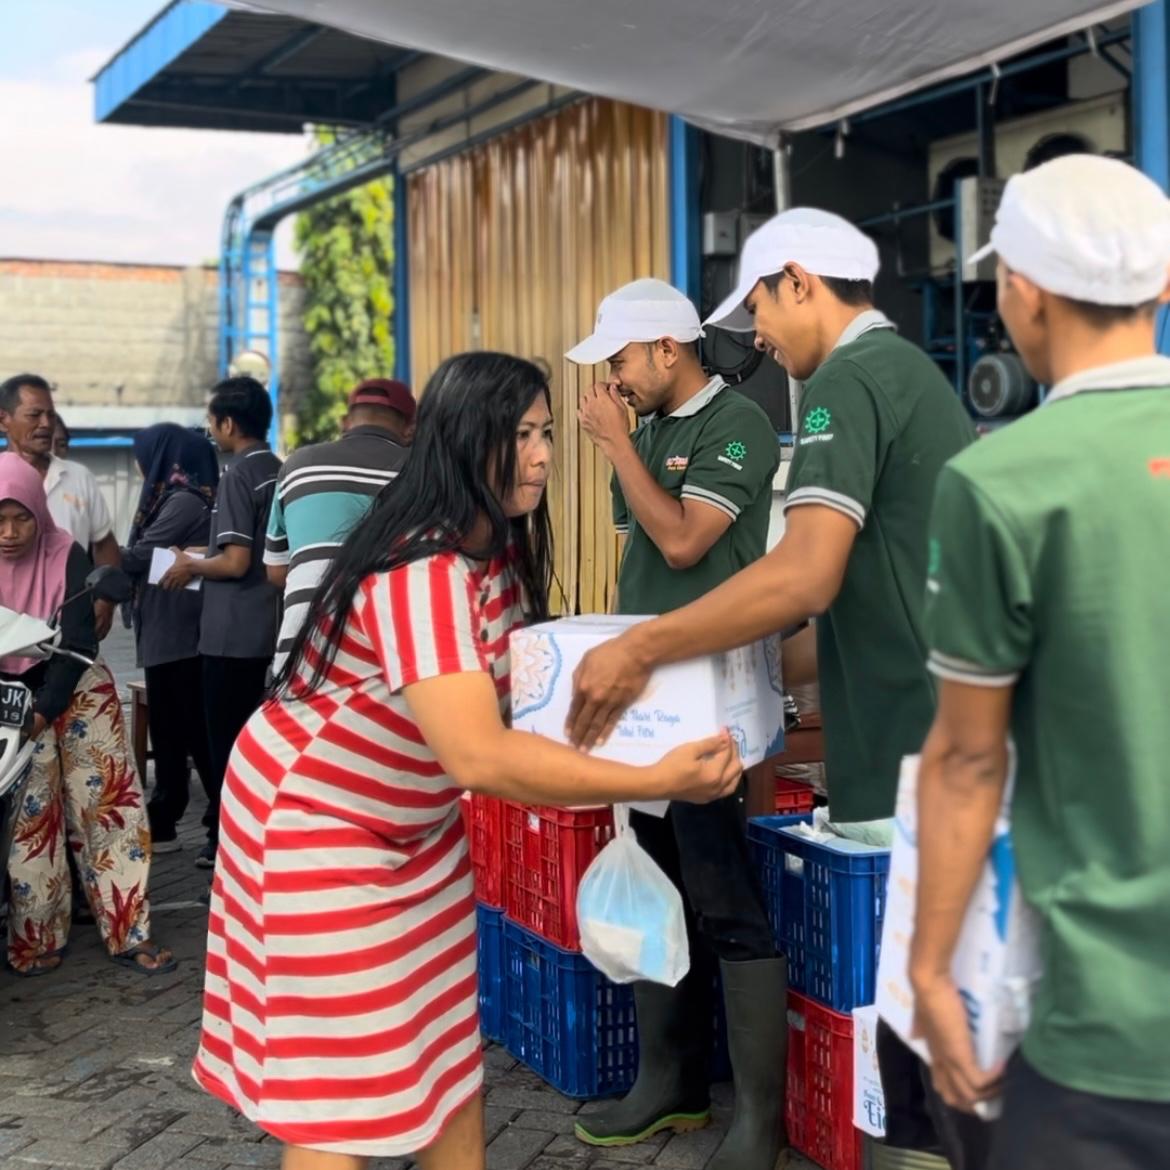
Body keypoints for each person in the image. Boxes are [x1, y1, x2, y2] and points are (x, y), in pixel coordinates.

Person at [191, 351, 744, 1170]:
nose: (544, 454)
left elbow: (518, 702)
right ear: (460, 439)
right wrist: (657, 779)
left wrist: (644, 705)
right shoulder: (424, 568)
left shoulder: (493, 554)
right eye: (519, 434)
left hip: (413, 828)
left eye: (548, 433)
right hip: (317, 826)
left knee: (446, 1060)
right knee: (343, 1091)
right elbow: (481, 756)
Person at [564, 209, 977, 1166]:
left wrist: (646, 649)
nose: (754, 332)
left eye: (756, 303)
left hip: (905, 752)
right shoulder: (897, 377)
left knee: (907, 1049)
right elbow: (847, 600)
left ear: (798, 280)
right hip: (907, 737)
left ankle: (763, 1120)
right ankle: (678, 1084)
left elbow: (800, 575)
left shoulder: (842, 385)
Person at [910, 156, 1170, 1170]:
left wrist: (932, 970)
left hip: (1108, 1039)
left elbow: (968, 762)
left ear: (1021, 293)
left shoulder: (998, 484)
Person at [563, 279, 784, 1169]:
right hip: (650, 696)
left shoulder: (737, 426)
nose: (613, 381)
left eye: (619, 360)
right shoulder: (650, 432)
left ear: (668, 348)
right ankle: (670, 1084)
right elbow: (646, 550)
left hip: (712, 698)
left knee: (724, 893)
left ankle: (759, 1122)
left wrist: (618, 446)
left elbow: (687, 542)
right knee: (663, 882)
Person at [0, 453, 175, 976]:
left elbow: (77, 642)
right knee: (29, 821)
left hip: (74, 685)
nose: (9, 532)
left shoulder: (67, 554)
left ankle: (129, 930)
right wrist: (23, 717)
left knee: (107, 806)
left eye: (21, 517)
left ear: (39, 511)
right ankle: (35, 940)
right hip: (10, 697)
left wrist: (42, 713)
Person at [161, 376, 281, 870]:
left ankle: (228, 844)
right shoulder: (280, 468)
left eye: (214, 424)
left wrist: (190, 565)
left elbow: (234, 563)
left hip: (231, 636)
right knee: (262, 743)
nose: (213, 433)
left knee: (227, 747)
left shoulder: (237, 475)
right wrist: (200, 553)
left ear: (229, 423)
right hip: (270, 629)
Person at [265, 377, 415, 674]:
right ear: (411, 427)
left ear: (345, 421)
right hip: (383, 653)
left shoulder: (296, 466)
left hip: (300, 648)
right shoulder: (421, 471)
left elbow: (277, 571)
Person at [121, 423, 220, 854]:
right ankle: (172, 815)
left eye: (145, 456)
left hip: (177, 632)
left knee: (185, 729)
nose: (141, 466)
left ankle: (187, 817)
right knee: (177, 727)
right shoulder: (176, 498)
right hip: (169, 630)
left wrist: (98, 549)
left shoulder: (182, 500)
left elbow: (143, 554)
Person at [0, 374, 120, 639]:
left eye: (50, 415)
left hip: (67, 626)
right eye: (34, 415)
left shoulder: (78, 477)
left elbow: (104, 543)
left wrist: (106, 601)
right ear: (3, 419)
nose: (46, 424)